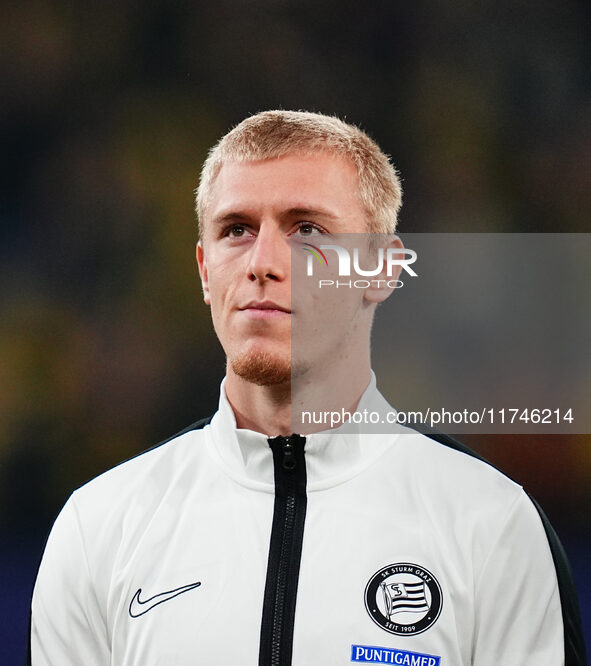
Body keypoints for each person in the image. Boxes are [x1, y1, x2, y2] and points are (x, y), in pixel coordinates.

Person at [29, 110, 586, 665]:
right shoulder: (98, 528)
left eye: (308, 229)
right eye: (236, 230)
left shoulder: (492, 526)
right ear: (204, 270)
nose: (262, 263)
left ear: (383, 270)